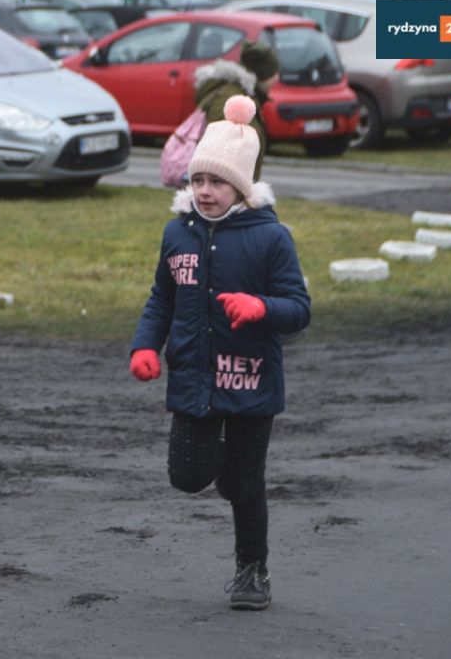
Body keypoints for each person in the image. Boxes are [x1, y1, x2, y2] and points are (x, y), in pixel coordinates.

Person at [129, 95, 310, 611]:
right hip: (193, 375)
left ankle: (253, 571)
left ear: (242, 186)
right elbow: (162, 298)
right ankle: (232, 470)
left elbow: (299, 309)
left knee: (244, 484)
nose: (205, 191)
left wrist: (261, 307)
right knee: (187, 476)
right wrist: (145, 345)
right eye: (198, 180)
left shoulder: (271, 237)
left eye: (217, 182)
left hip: (251, 378)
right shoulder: (176, 233)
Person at [193, 40, 280, 183]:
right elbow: (219, 152)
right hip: (225, 189)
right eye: (274, 73)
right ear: (262, 75)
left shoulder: (243, 94)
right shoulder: (231, 98)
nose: (277, 78)